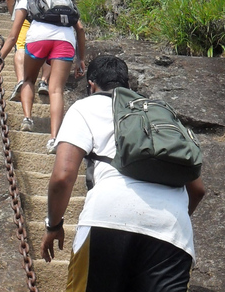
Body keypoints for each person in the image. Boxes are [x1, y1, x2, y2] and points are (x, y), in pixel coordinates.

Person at [41, 55, 205, 292]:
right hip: (173, 233)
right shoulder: (158, 115)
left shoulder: (85, 106)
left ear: (91, 85)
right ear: (128, 85)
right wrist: (166, 219)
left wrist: (53, 225)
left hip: (107, 219)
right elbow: (197, 190)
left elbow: (62, 177)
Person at [0, 0, 85, 154]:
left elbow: (13, 36)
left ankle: (28, 119)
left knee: (29, 79)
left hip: (38, 37)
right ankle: (54, 139)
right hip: (65, 39)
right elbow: (81, 28)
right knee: (56, 90)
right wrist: (81, 59)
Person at [5, 0, 68, 101]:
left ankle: (21, 81)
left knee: (21, 47)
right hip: (49, 17)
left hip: (26, 14)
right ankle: (44, 82)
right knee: (47, 52)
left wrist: (14, 15)